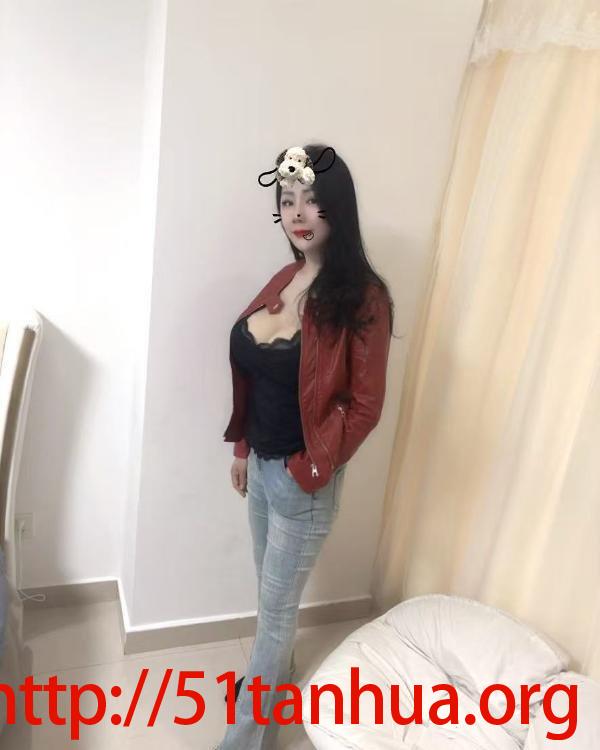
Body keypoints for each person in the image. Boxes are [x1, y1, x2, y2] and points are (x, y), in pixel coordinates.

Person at [216, 143, 394, 750]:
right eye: (287, 199)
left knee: (274, 613)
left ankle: (245, 737)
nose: (297, 212)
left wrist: (309, 467)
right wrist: (243, 448)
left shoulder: (363, 297)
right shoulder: (284, 278)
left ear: (337, 208)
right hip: (262, 471)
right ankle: (276, 681)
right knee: (271, 602)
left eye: (312, 200)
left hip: (302, 482)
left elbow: (365, 405)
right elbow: (254, 371)